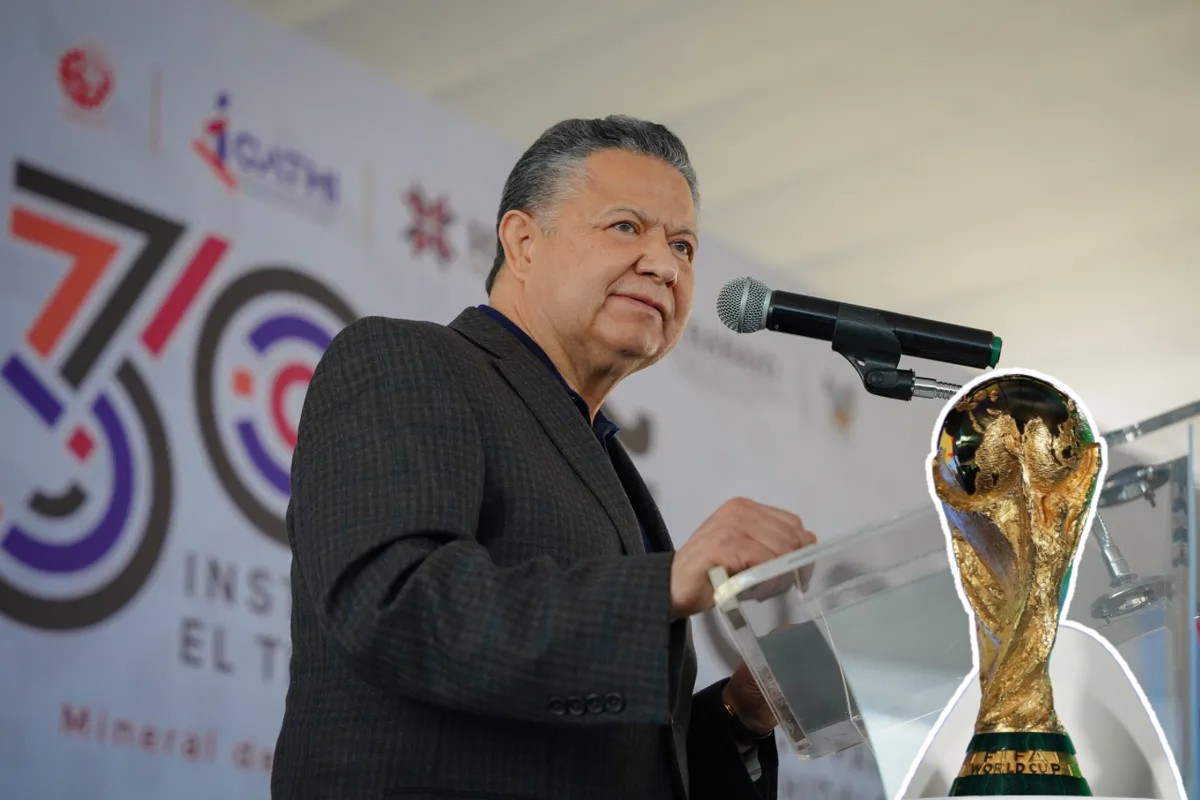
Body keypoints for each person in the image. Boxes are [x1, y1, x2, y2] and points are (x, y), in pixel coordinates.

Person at [272, 115, 817, 800]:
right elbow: (394, 606)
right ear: (523, 241)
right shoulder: (405, 360)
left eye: (683, 245)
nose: (665, 265)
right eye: (627, 227)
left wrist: (743, 710)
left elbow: (617, 762)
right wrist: (662, 586)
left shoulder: (601, 457)